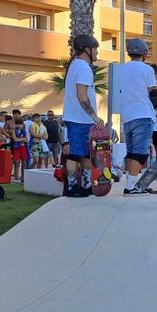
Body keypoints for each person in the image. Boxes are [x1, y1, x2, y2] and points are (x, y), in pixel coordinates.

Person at [63, 34, 105, 197]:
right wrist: (95, 117)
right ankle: (74, 187)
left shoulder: (75, 65)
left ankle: (86, 186)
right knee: (75, 154)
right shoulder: (82, 68)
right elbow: (82, 96)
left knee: (86, 154)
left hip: (78, 119)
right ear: (87, 49)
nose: (97, 53)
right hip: (80, 119)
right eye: (95, 49)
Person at [118, 39, 157, 195]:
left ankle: (131, 182)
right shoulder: (147, 70)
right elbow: (154, 94)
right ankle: (131, 187)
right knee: (141, 153)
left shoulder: (122, 70)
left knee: (131, 152)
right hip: (143, 114)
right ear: (145, 54)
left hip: (127, 116)